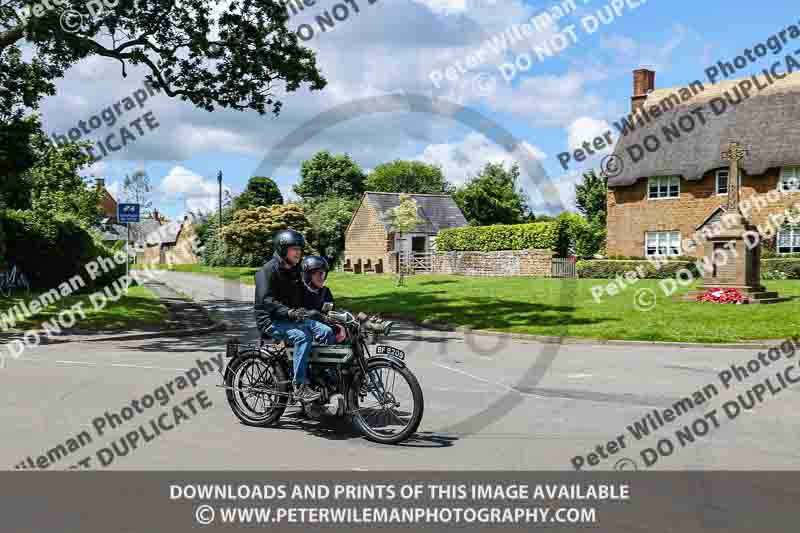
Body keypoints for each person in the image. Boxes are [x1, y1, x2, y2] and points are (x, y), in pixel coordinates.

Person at [254, 229, 336, 403]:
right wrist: (289, 312)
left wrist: (319, 310)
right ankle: (300, 386)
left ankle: (321, 376)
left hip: (293, 317)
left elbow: (304, 293)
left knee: (327, 331)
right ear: (283, 249)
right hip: (271, 321)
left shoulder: (295, 270)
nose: (298, 252)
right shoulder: (266, 271)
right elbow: (266, 301)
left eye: (300, 249)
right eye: (294, 249)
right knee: (302, 336)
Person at [301, 256, 347, 344]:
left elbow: (330, 312)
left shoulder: (325, 292)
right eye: (319, 274)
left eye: (324, 274)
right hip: (308, 331)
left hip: (324, 326)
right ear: (308, 274)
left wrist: (340, 325)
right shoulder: (299, 292)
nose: (322, 277)